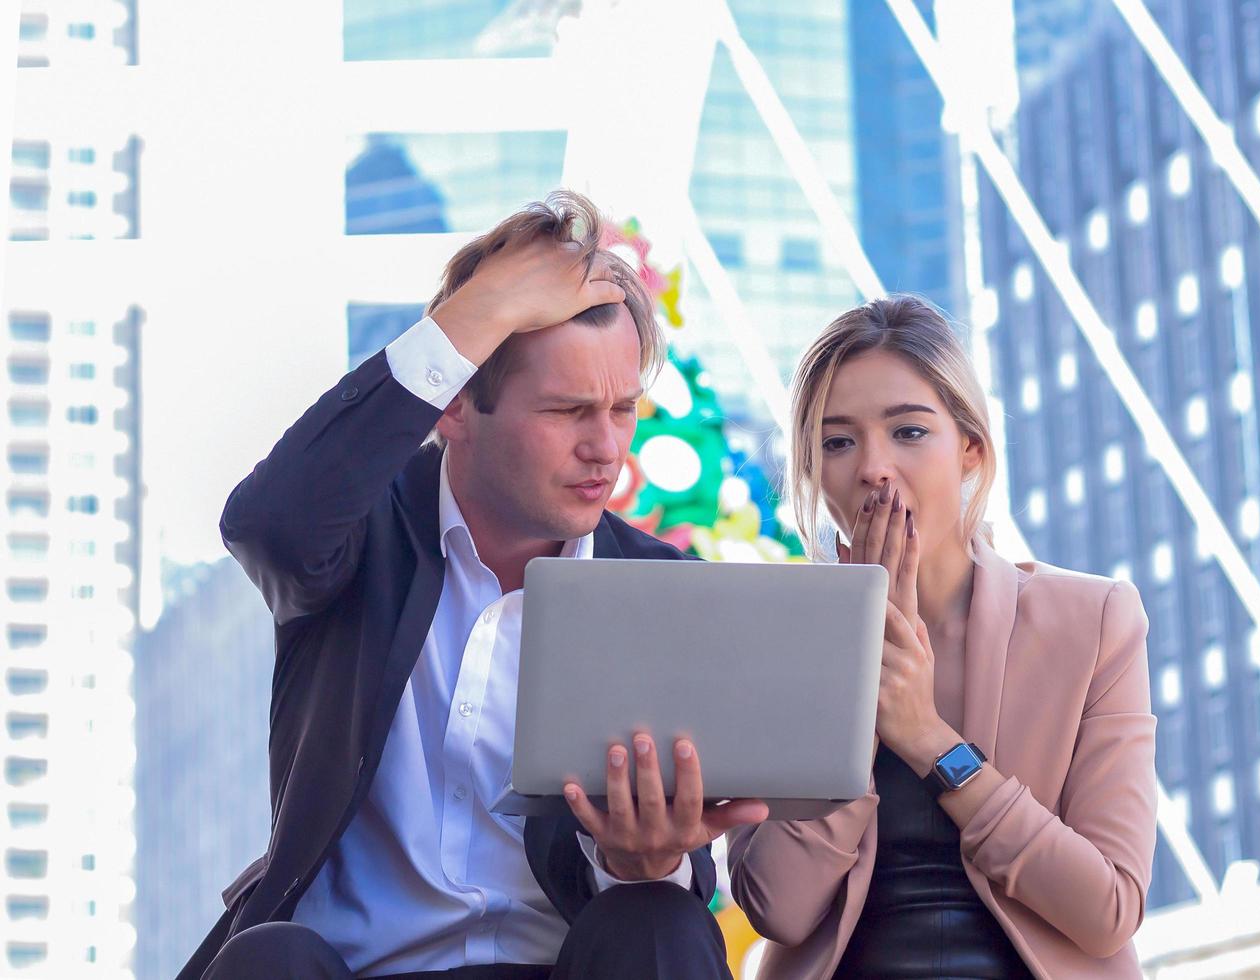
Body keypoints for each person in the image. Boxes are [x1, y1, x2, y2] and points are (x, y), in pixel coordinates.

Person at [179, 191, 767, 980]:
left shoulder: (661, 590)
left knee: (660, 920)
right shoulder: (358, 537)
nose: (607, 451)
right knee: (267, 961)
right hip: (347, 968)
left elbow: (666, 894)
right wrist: (476, 312)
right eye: (566, 410)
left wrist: (644, 862)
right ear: (455, 403)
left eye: (622, 409)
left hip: (562, 966)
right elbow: (270, 527)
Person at [728, 294, 1157, 979]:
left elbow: (1106, 907)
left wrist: (928, 739)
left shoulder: (1092, 621)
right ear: (813, 471)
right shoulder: (777, 641)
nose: (873, 467)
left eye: (908, 432)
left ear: (969, 448)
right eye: (837, 442)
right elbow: (777, 906)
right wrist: (856, 680)